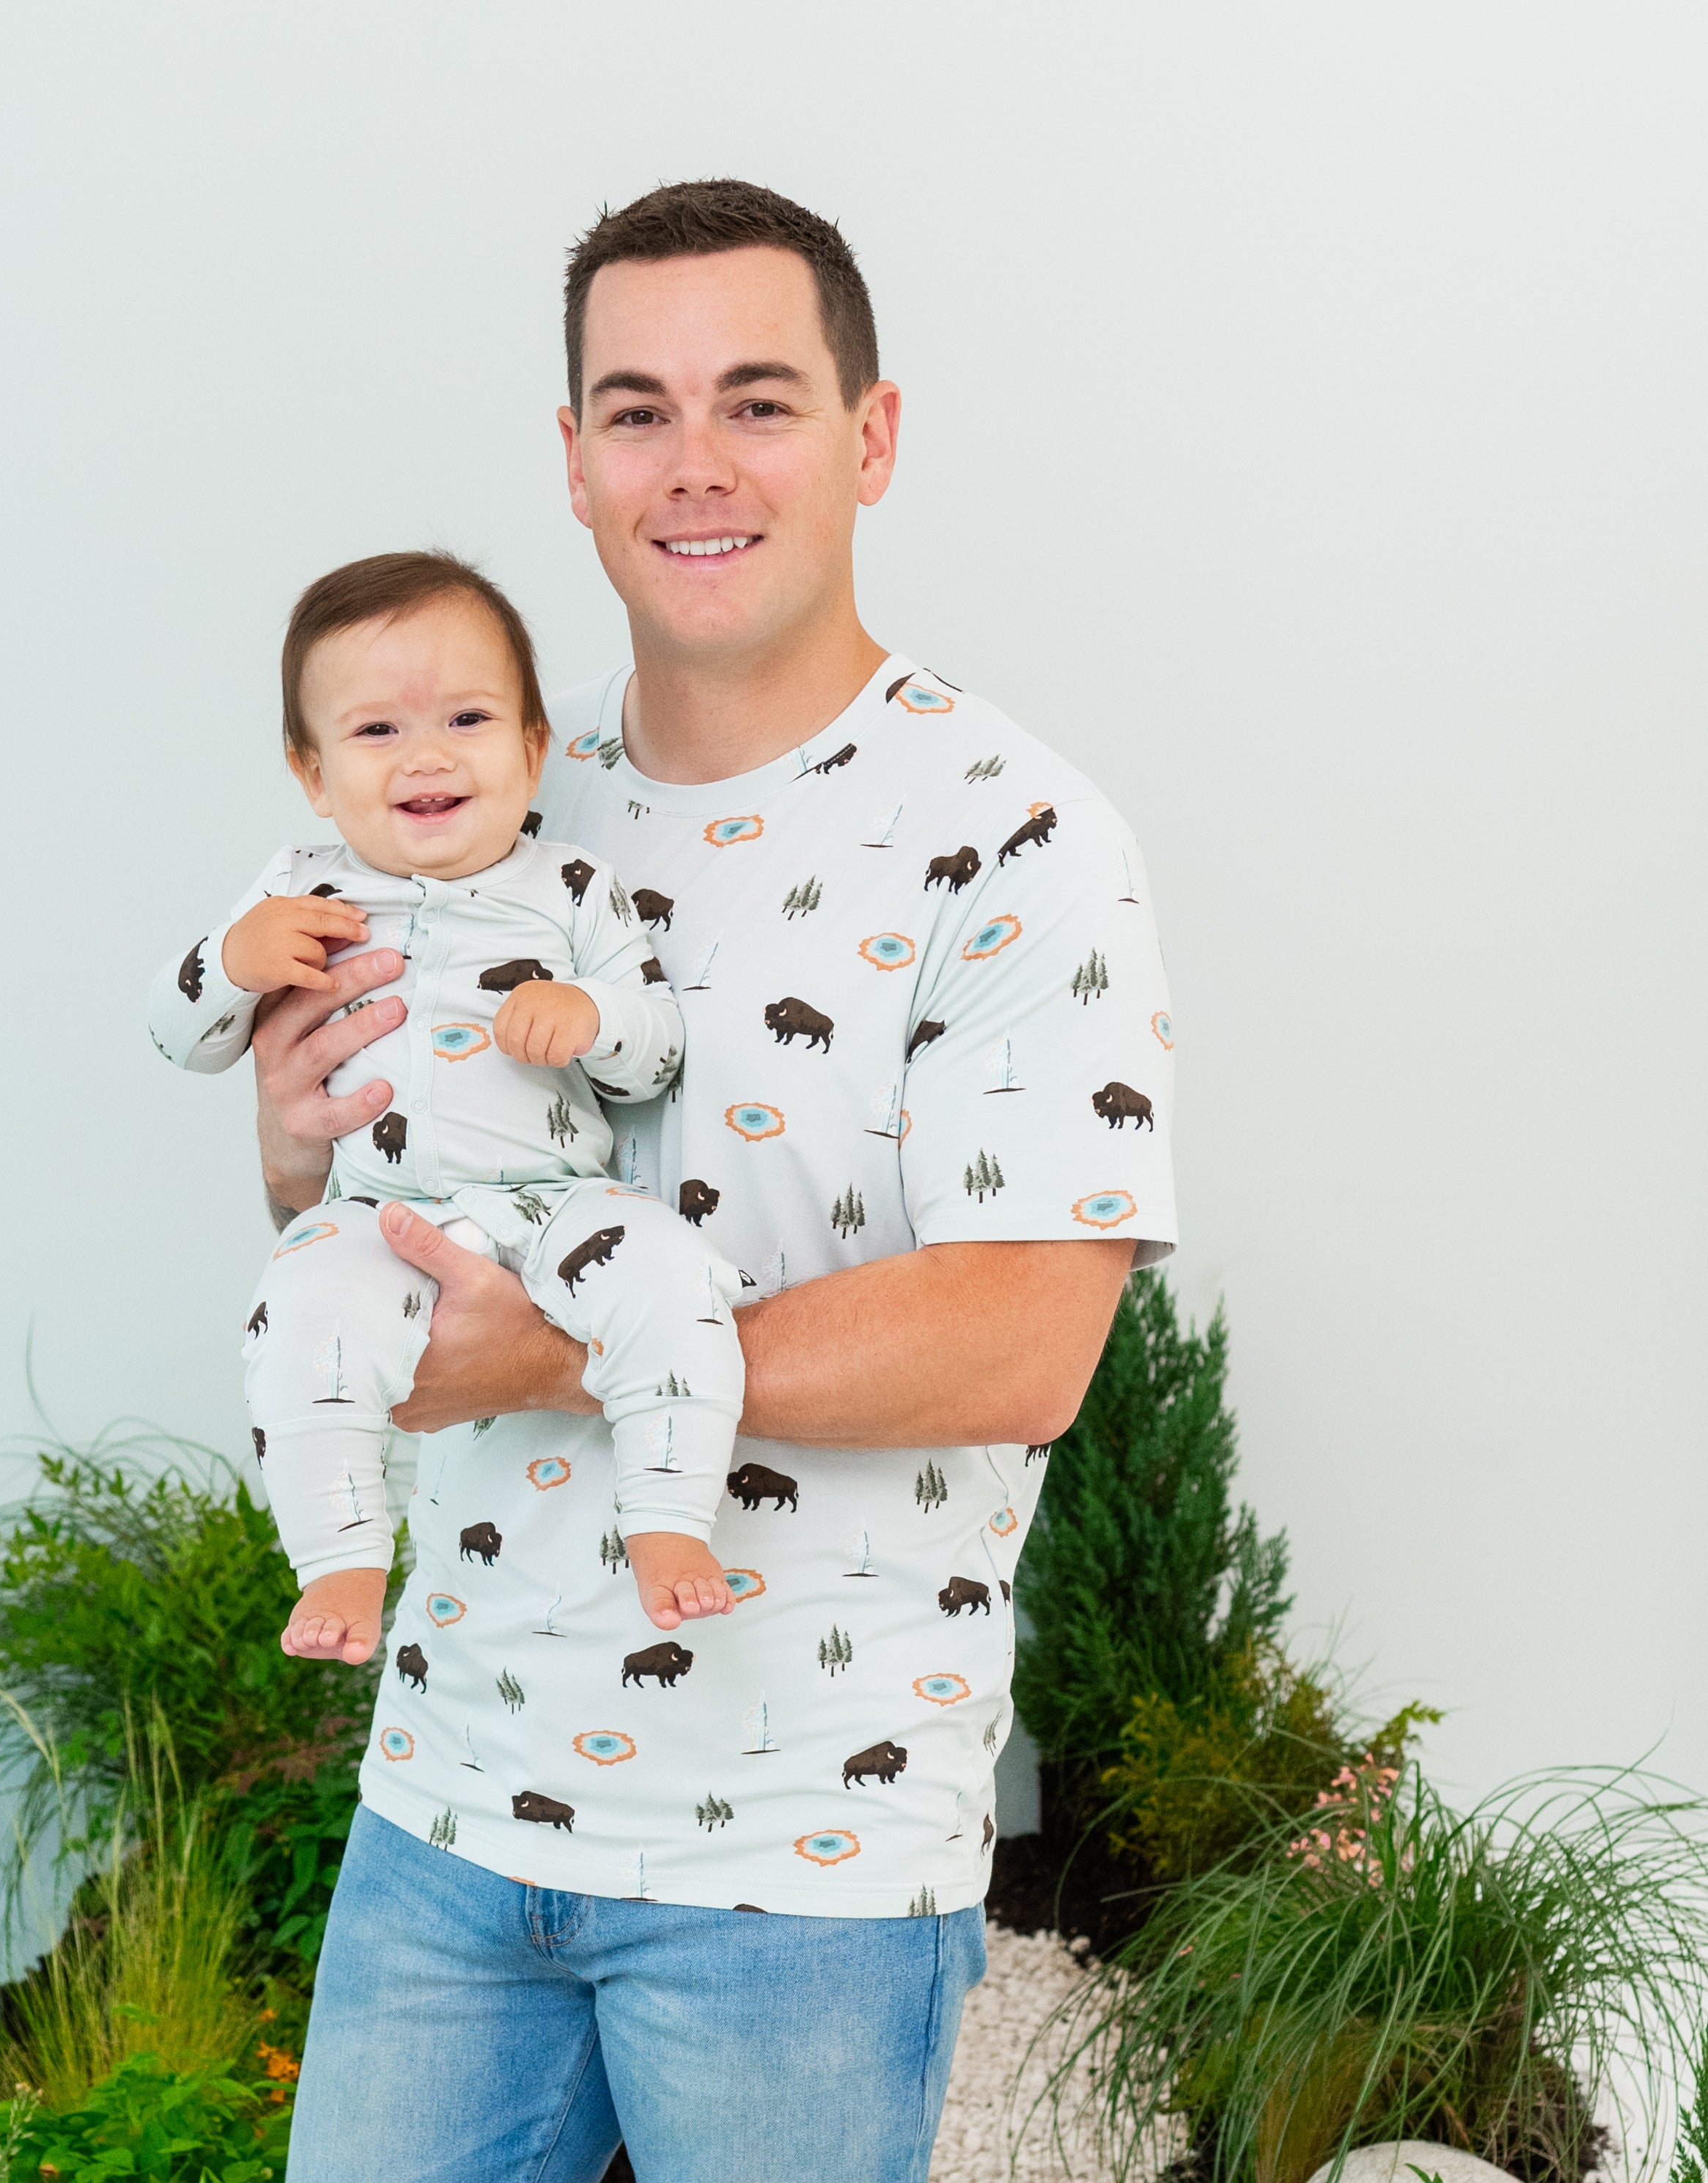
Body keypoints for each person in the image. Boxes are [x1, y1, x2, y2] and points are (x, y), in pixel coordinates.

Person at [251, 180, 1178, 2183]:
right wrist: (297, 1155)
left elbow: (1024, 1342)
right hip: (448, 1807)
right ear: (570, 464)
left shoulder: (1017, 835)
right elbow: (396, 1256)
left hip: (799, 1866)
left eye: (758, 401)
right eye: (636, 409)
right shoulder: (478, 792)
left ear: (874, 436)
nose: (695, 465)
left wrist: (568, 1358)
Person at [148, 549, 744, 1637]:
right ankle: (337, 1556)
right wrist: (233, 961)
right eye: (376, 730)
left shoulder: (571, 886)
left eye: (467, 720)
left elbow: (655, 1052)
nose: (426, 754)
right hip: (381, 1214)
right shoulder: (299, 887)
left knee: (677, 1276)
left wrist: (593, 1018)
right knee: (298, 1311)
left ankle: (668, 1515)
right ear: (314, 772)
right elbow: (176, 1038)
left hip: (560, 1201)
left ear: (530, 750)